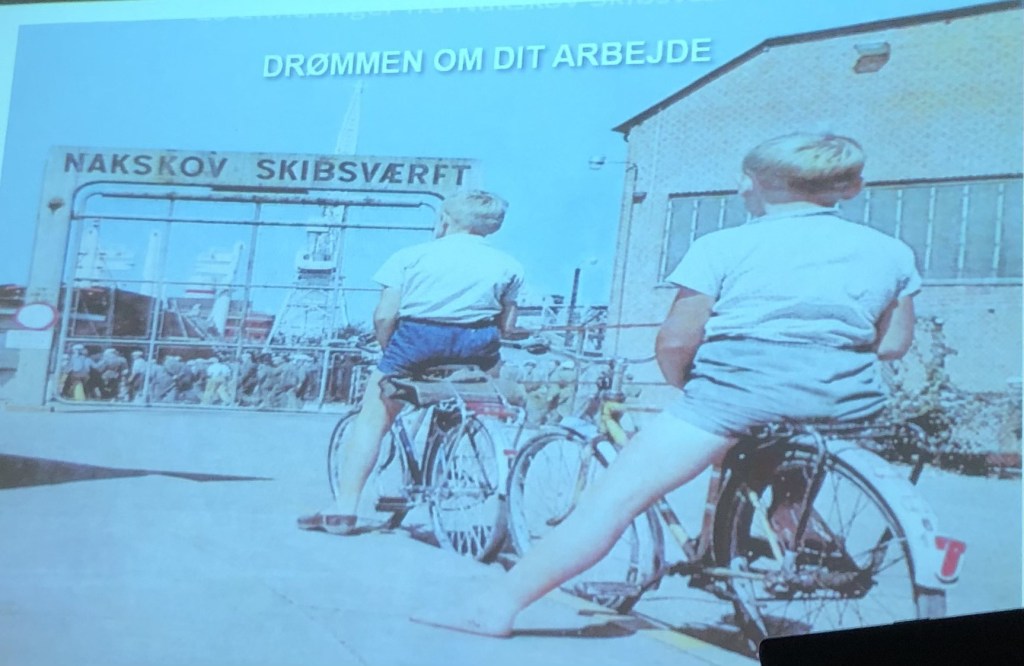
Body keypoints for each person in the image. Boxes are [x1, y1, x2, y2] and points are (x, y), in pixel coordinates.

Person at [409, 132, 921, 636]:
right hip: (846, 399)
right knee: (777, 439)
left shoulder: (722, 245)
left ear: (757, 183)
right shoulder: (891, 251)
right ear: (851, 188)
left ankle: (494, 608)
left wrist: (688, 387)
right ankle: (764, 530)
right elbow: (894, 343)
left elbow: (676, 342)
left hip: (734, 396)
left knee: (613, 500)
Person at [298, 190, 525, 535]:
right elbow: (506, 326)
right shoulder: (509, 265)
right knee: (470, 391)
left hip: (418, 342)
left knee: (374, 416)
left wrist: (388, 349)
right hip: (476, 348)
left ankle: (345, 507)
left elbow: (384, 315)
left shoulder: (410, 256)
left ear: (445, 220)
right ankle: (456, 442)